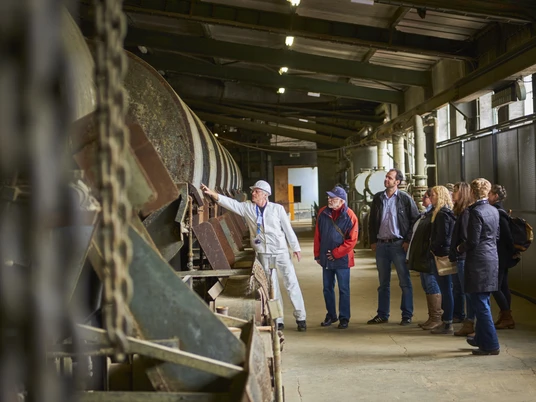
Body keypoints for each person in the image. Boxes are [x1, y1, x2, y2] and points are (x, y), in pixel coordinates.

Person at [200, 180, 307, 332]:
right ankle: (278, 319)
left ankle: (300, 317)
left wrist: (295, 247)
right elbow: (231, 203)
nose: (253, 193)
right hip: (263, 252)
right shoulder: (248, 208)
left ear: (265, 194)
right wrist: (213, 194)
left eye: (256, 191)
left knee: (291, 282)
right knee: (271, 287)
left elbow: (288, 229)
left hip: (280, 251)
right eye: (253, 191)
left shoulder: (277, 209)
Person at [367, 169, 420, 325]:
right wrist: (373, 241)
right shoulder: (378, 198)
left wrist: (408, 240)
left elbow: (415, 220)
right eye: (386, 177)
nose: (386, 180)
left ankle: (407, 315)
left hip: (398, 245)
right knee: (383, 283)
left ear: (397, 182)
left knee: (404, 281)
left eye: (389, 178)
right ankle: (382, 314)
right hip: (382, 245)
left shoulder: (405, 199)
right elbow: (371, 222)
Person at [458, 178, 500, 355]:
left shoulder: (476, 212)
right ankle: (482, 338)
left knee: (480, 303)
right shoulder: (493, 210)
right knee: (483, 300)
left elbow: (473, 240)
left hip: (478, 261)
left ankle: (491, 344)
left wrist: (460, 247)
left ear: (473, 193)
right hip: (491, 258)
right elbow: (496, 236)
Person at [314, 186, 358, 329]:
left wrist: (336, 253)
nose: (329, 199)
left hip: (342, 258)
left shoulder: (350, 216)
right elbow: (318, 235)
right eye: (329, 197)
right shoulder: (323, 213)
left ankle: (344, 317)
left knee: (344, 289)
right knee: (327, 288)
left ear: (341, 201)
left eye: (332, 198)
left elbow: (352, 241)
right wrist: (317, 254)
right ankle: (331, 315)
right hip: (326, 257)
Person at [407, 189, 442, 330]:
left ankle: (437, 318)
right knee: (427, 285)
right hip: (422, 256)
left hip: (429, 256)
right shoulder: (426, 214)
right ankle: (431, 317)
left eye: (427, 197)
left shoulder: (437, 214)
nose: (423, 199)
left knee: (432, 284)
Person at [488, 184, 519, 330]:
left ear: (495, 196)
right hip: (503, 255)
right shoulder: (501, 211)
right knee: (504, 286)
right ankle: (504, 315)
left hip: (500, 255)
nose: (488, 197)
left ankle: (507, 316)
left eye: (489, 194)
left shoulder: (498, 213)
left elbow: (506, 235)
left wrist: (512, 249)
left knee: (495, 286)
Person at [428, 186, 456, 335]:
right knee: (446, 289)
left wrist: (433, 248)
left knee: (445, 289)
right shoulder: (444, 213)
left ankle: (448, 323)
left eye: (433, 195)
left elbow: (444, 237)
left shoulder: (442, 214)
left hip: (441, 256)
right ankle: (447, 320)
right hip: (442, 253)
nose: (430, 197)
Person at [449, 182, 476, 337]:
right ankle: (467, 320)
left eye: (456, 191)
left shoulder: (465, 214)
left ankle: (470, 322)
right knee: (461, 290)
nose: (453, 194)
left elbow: (467, 238)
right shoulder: (460, 212)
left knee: (468, 293)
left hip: (463, 259)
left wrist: (458, 249)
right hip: (460, 258)